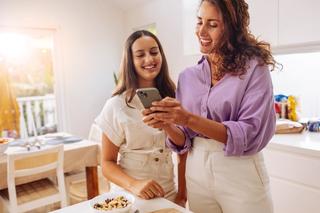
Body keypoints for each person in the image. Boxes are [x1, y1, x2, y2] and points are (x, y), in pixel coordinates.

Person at [142, 0, 277, 212]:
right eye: (199, 22)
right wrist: (167, 124)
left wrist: (188, 118)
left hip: (240, 170)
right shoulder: (188, 77)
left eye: (212, 24)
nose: (201, 31)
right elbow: (184, 139)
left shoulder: (254, 68)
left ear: (231, 28)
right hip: (196, 172)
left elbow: (250, 132)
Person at [95, 30, 187, 205]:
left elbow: (185, 150)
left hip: (167, 194)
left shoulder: (175, 99)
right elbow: (107, 164)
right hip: (128, 196)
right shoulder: (116, 105)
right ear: (131, 61)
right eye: (140, 55)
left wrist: (182, 196)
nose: (149, 59)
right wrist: (135, 185)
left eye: (154, 52)